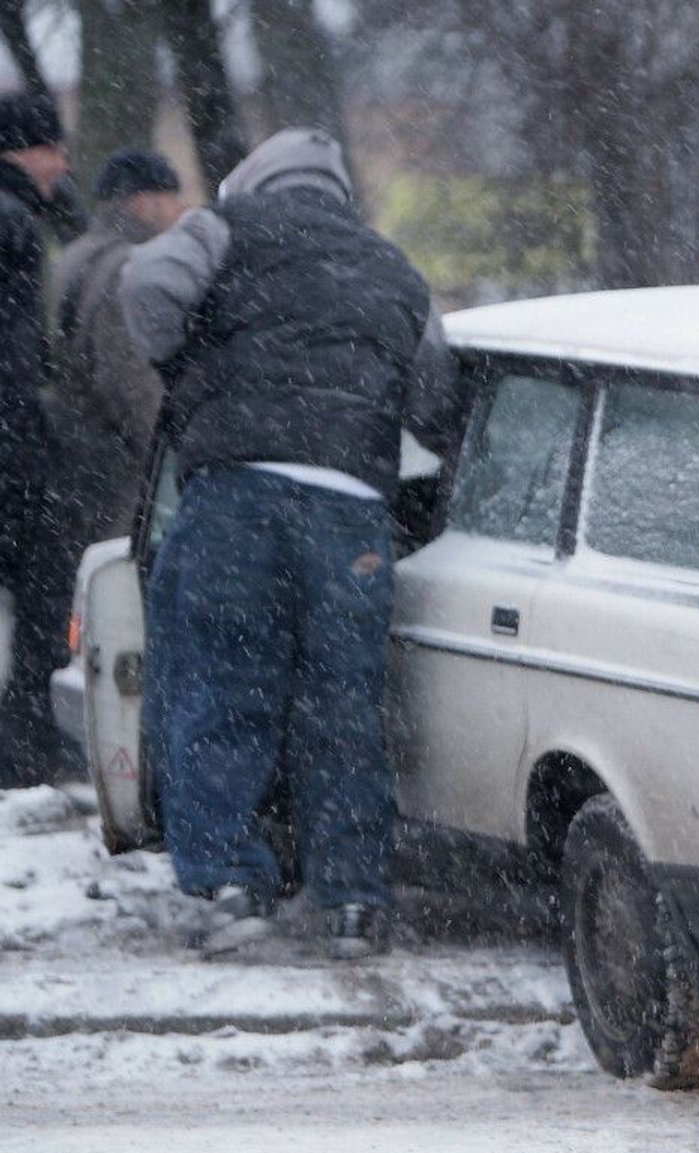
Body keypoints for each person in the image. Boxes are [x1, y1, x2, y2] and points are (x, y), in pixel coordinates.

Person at [120, 127, 457, 960]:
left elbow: (145, 283)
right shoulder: (393, 268)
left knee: (222, 688)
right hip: (350, 509)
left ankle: (231, 884)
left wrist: (188, 363)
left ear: (257, 179)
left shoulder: (227, 224)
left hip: (237, 492)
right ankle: (353, 901)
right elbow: (435, 399)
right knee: (343, 706)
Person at [46, 149, 184, 548]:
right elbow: (134, 381)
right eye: (173, 199)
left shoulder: (72, 256)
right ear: (145, 202)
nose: (180, 212)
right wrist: (170, 454)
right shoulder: (131, 267)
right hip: (114, 469)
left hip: (66, 447)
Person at [0, 93, 75, 788]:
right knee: (39, 599)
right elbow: (19, 358)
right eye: (55, 149)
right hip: (11, 446)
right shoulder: (15, 224)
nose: (64, 165)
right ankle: (22, 760)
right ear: (24, 150)